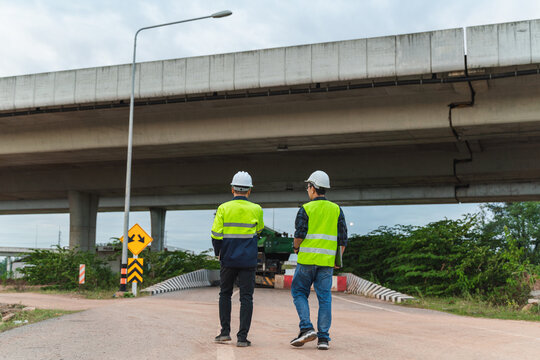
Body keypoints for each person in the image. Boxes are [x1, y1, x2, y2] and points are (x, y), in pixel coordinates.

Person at [290, 170, 348, 351]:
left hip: (307, 260)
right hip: (326, 263)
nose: (308, 190)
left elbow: (299, 234)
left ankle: (306, 327)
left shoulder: (306, 209)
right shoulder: (336, 209)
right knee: (325, 298)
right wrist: (338, 259)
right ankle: (323, 339)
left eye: (308, 186)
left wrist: (296, 247)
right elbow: (343, 239)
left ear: (313, 188)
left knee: (299, 292)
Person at [211, 171, 264, 347]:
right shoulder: (256, 209)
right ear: (249, 191)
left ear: (232, 189)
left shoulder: (223, 208)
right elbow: (259, 230)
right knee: (246, 297)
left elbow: (216, 235)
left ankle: (224, 333)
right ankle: (242, 338)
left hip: (228, 259)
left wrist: (219, 253)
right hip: (248, 261)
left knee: (225, 294)